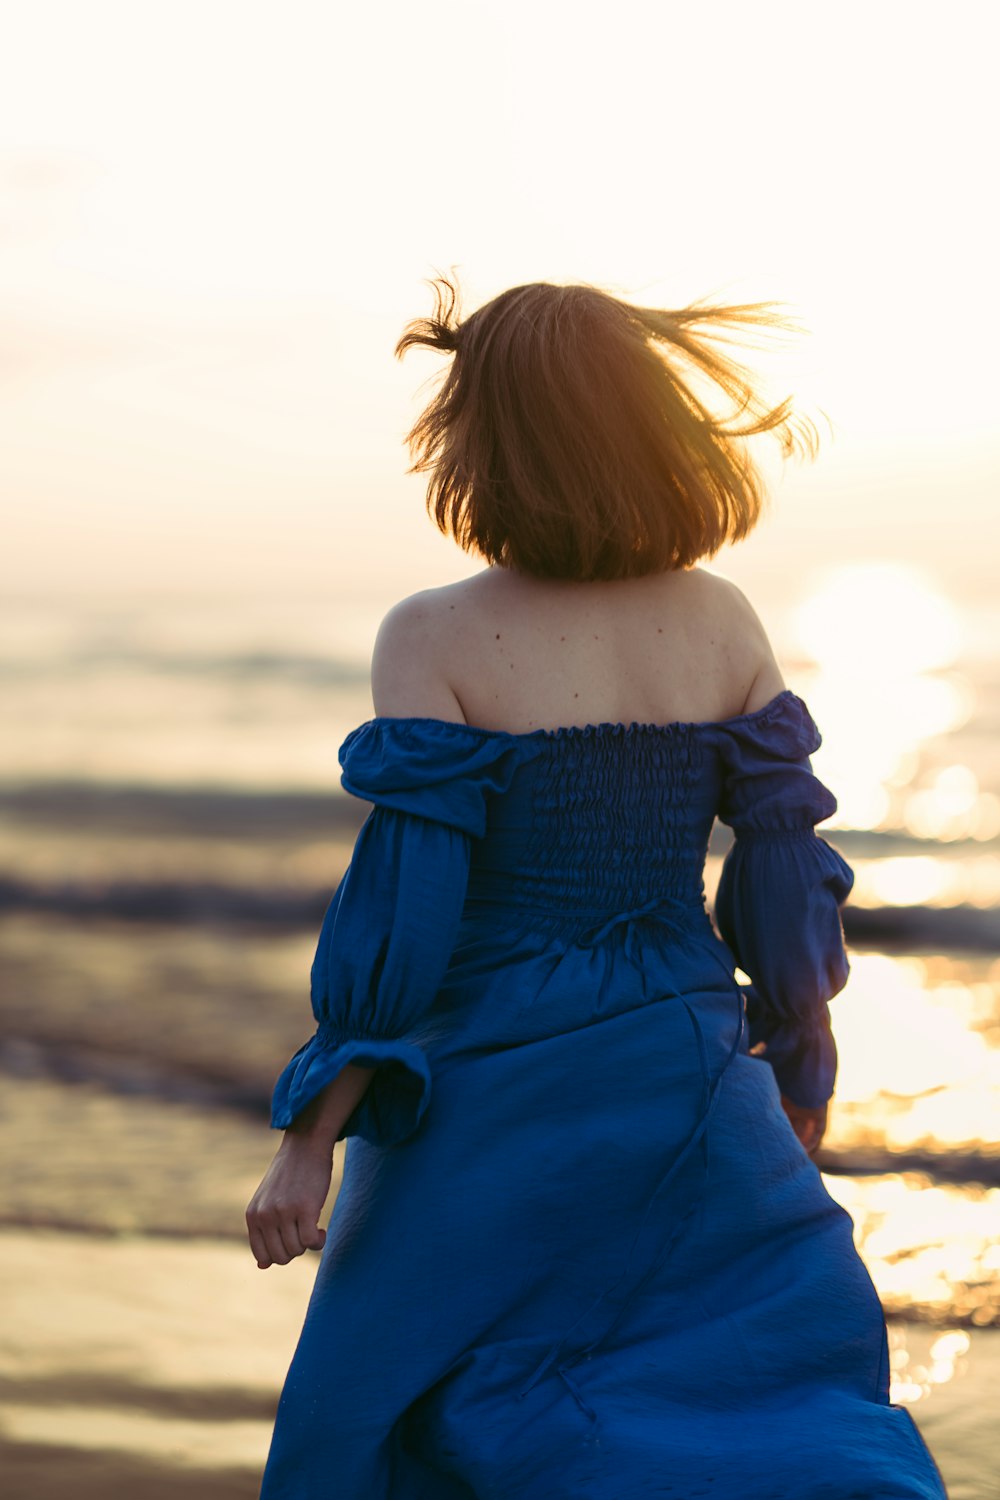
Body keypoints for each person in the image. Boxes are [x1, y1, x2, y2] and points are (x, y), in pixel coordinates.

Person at [247, 277, 948, 1498]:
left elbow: (407, 921)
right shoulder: (721, 621)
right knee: (749, 1390)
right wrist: (797, 1056)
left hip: (487, 1085)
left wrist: (311, 1143)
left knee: (389, 1400)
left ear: (482, 445)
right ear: (653, 429)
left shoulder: (433, 634)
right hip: (685, 1065)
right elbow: (783, 883)